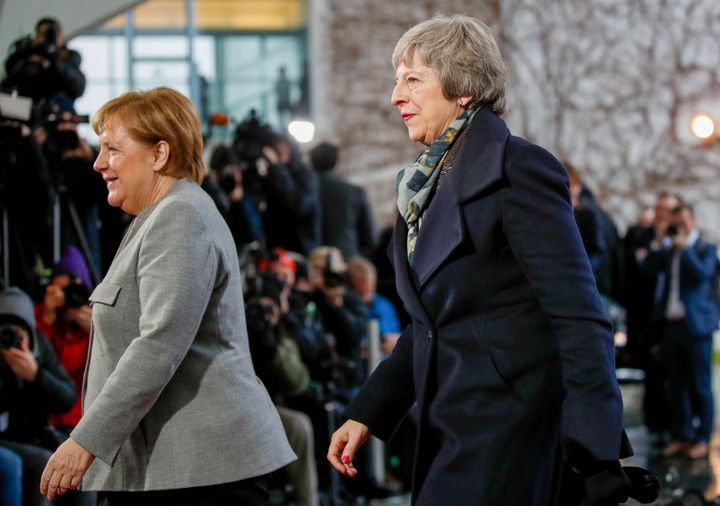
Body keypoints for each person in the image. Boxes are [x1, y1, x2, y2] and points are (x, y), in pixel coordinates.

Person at [327, 15, 632, 505]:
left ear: (462, 89)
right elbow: (431, 324)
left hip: (512, 422)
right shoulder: (423, 186)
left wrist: (594, 446)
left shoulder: (517, 168)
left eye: (412, 79)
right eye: (396, 79)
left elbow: (579, 315)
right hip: (453, 419)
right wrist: (368, 411)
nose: (395, 96)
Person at [40, 87, 295, 505]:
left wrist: (85, 441)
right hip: (177, 470)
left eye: (112, 149)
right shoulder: (159, 217)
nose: (98, 163)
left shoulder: (179, 216)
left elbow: (159, 343)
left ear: (159, 154)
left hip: (199, 474)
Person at [640, 203, 718, 460]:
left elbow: (703, 275)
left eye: (682, 222)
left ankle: (703, 437)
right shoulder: (670, 250)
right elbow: (647, 270)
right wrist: (660, 240)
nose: (679, 228)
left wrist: (685, 250)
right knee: (676, 385)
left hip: (696, 327)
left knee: (700, 385)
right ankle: (681, 435)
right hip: (671, 326)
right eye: (676, 223)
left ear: (693, 221)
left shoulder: (705, 248)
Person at [0, 287, 76, 506]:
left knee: (77, 459)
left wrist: (35, 375)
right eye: (4, 330)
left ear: (29, 332)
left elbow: (67, 398)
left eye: (17, 332)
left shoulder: (39, 346)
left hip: (34, 433)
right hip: (6, 436)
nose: (11, 338)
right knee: (41, 462)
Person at [311, 142, 376, 260]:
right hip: (347, 259)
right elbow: (370, 238)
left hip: (311, 261)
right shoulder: (354, 192)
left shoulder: (304, 192)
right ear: (336, 162)